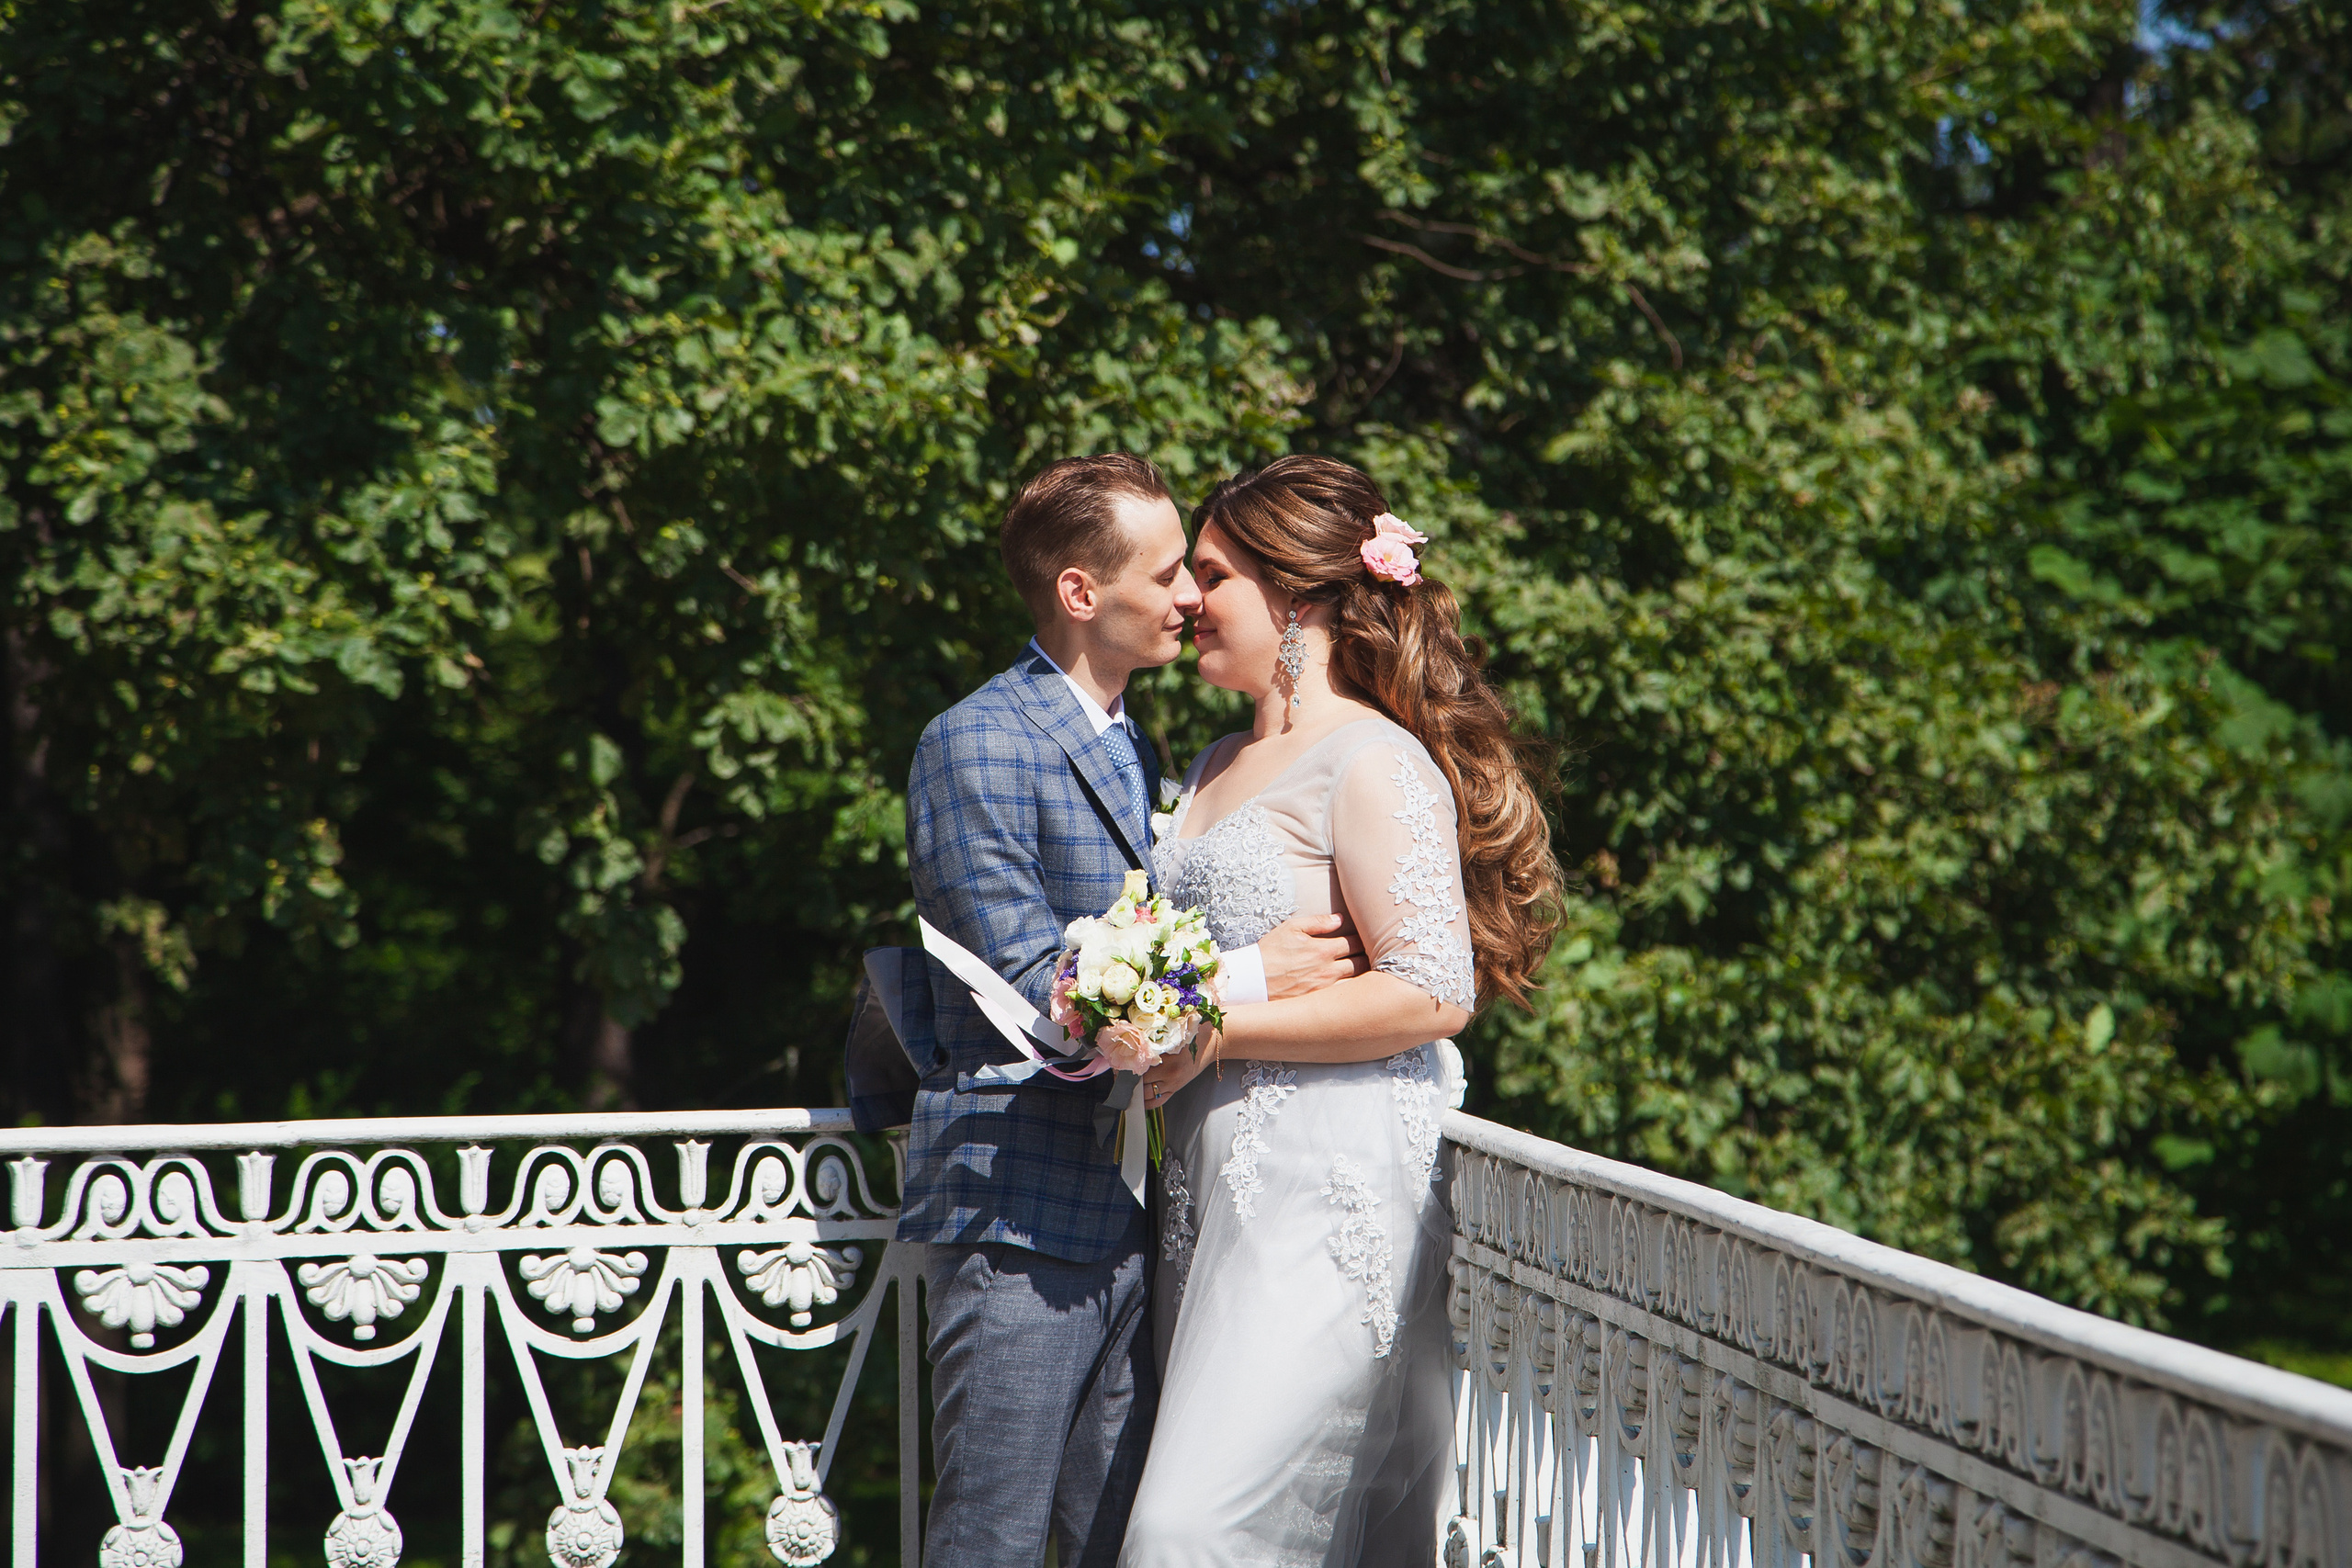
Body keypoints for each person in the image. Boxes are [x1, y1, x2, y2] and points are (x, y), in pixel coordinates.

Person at [899, 453, 1371, 1568]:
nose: (1190, 597)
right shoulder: (977, 739)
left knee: (1120, 1542)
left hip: (1133, 1213)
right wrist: (1249, 980)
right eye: (1165, 575)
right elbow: (1031, 987)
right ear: (1079, 592)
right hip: (1016, 1208)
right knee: (991, 1542)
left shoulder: (1133, 742)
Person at [1121, 455, 1563, 1566]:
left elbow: (1433, 990)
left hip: (1322, 1189)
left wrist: (1217, 1031)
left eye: (1212, 574)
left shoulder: (1374, 759)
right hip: (1205, 1195)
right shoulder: (1216, 761)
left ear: (1296, 596)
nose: (1188, 601)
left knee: (1187, 1534)